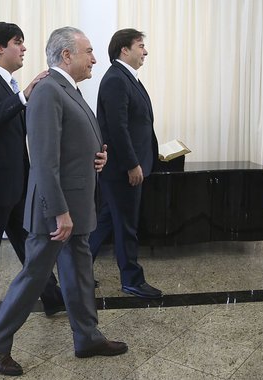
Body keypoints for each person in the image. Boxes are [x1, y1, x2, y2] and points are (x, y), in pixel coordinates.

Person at [0, 26, 128, 376]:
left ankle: (87, 337)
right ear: (66, 56)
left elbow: (75, 143)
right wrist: (59, 211)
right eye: (88, 51)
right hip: (55, 209)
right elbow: (44, 160)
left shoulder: (69, 89)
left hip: (75, 206)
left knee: (78, 274)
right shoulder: (48, 91)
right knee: (34, 276)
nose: (94, 58)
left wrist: (98, 156)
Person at [0, 22, 64, 330]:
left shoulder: (8, 83)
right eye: (17, 42)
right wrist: (23, 97)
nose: (23, 48)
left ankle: (52, 297)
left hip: (17, 184)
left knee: (32, 244)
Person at [88, 29, 162, 299]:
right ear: (124, 50)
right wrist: (133, 164)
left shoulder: (126, 78)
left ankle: (79, 270)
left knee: (107, 221)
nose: (145, 51)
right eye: (140, 46)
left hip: (121, 167)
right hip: (122, 169)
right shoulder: (117, 80)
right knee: (127, 225)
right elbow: (118, 128)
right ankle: (132, 279)